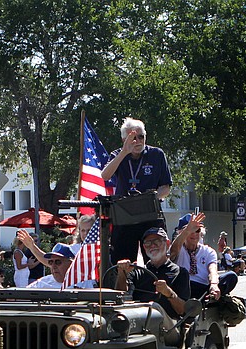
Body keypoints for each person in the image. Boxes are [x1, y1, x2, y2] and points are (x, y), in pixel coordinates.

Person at [101, 117, 172, 263]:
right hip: (125, 216)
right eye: (133, 138)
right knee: (122, 262)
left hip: (150, 214)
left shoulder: (156, 154)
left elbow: (166, 187)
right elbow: (105, 175)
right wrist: (124, 152)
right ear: (124, 140)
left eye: (141, 137)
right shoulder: (117, 155)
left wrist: (150, 198)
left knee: (157, 260)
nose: (138, 141)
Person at [115, 227, 190, 318]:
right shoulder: (137, 271)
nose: (152, 246)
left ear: (167, 243)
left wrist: (169, 293)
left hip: (168, 327)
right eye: (148, 243)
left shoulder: (180, 272)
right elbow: (119, 297)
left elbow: (182, 310)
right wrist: (122, 273)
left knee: (154, 306)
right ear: (144, 247)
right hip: (140, 321)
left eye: (157, 241)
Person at [170, 212, 237, 300]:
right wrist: (187, 230)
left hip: (203, 289)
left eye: (197, 230)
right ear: (181, 233)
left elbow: (212, 270)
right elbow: (173, 251)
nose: (194, 234)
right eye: (190, 231)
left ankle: (210, 297)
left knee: (231, 276)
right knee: (181, 276)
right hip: (183, 288)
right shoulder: (178, 248)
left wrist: (214, 284)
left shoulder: (208, 251)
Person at [0, 243, 95, 290]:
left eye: (58, 262)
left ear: (71, 263)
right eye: (50, 262)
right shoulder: (43, 283)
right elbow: (18, 299)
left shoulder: (85, 283)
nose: (53, 267)